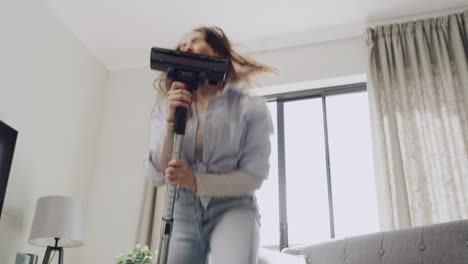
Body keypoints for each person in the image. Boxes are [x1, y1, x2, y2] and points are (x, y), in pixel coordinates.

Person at [145, 26, 276, 264]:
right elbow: (157, 173)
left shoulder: (250, 108)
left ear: (217, 52)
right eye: (182, 46)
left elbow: (253, 176)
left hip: (234, 207)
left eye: (194, 41)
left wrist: (196, 181)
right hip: (182, 209)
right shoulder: (167, 107)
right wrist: (170, 120)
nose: (186, 47)